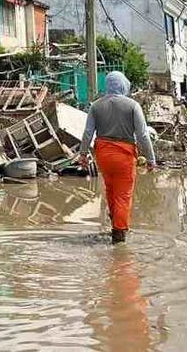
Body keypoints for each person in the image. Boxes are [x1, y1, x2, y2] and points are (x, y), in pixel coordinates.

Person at [78, 71, 157, 244]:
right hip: (124, 154)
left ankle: (115, 221)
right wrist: (151, 159)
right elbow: (143, 135)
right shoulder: (133, 106)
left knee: (111, 189)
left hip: (103, 154)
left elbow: (88, 133)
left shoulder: (96, 106)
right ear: (123, 85)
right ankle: (119, 235)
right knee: (123, 194)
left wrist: (83, 154)